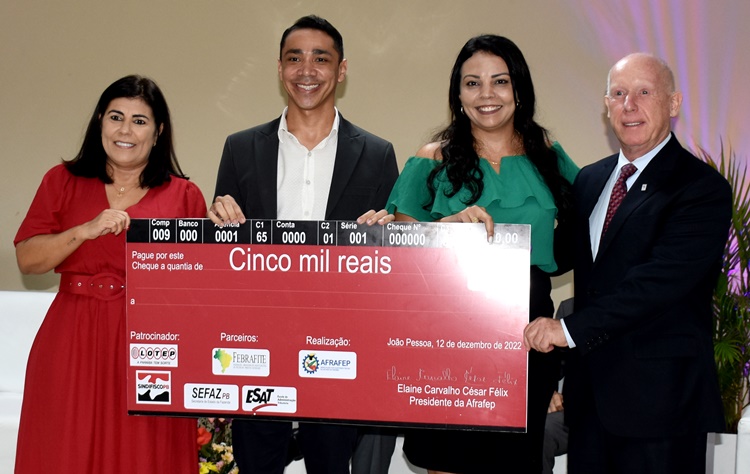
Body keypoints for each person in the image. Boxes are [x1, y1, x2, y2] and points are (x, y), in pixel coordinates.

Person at [523, 53, 732, 474]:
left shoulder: (701, 187)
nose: (629, 105)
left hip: (662, 407)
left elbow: (655, 284)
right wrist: (475, 238)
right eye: (618, 94)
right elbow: (555, 255)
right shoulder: (590, 180)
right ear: (606, 105)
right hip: (590, 404)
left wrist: (566, 330)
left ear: (673, 103)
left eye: (644, 92)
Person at [208, 14, 399, 474]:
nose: (306, 70)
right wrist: (217, 224)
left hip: (339, 349)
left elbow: (390, 268)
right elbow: (223, 256)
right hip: (256, 346)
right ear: (280, 69)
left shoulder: (377, 154)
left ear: (342, 69)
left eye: (321, 59)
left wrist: (385, 235)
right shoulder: (240, 148)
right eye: (294, 59)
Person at [381, 34, 578, 473]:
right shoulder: (431, 160)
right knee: (449, 462)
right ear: (458, 94)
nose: (487, 94)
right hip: (445, 340)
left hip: (528, 340)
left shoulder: (550, 158)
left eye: (500, 81)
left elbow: (591, 232)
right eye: (473, 83)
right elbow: (398, 257)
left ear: (519, 89)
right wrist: (446, 229)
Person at [14, 75, 207, 473]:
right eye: (116, 117)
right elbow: (28, 261)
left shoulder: (184, 195)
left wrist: (225, 234)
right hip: (73, 337)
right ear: (100, 120)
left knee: (144, 455)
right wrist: (84, 231)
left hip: (150, 345)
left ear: (158, 132)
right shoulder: (61, 181)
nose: (125, 130)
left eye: (140, 121)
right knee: (64, 450)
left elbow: (198, 285)